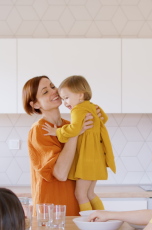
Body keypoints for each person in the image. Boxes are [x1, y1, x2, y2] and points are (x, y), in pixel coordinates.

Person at [22, 75, 96, 216]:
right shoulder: (39, 130)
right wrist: (74, 134)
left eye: (52, 86)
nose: (54, 91)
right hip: (51, 213)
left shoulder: (70, 126)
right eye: (45, 92)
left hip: (77, 210)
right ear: (36, 104)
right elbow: (61, 174)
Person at [41, 75, 116, 212]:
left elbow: (74, 129)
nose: (65, 102)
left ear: (81, 95)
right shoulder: (92, 106)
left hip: (87, 159)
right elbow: (104, 119)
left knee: (80, 195)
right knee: (90, 193)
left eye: (67, 98)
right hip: (96, 158)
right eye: (63, 99)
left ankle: (89, 221)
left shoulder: (77, 109)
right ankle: (103, 217)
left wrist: (57, 132)